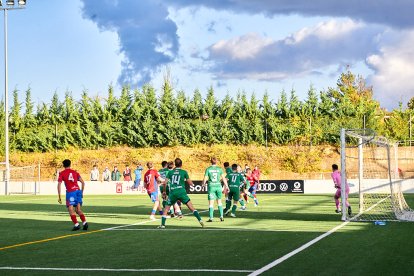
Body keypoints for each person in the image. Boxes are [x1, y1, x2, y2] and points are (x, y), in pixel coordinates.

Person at [158, 158, 204, 228]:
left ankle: (163, 225)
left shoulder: (170, 172)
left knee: (166, 209)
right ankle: (200, 220)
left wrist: (164, 191)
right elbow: (190, 183)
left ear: (175, 164)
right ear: (181, 164)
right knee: (191, 208)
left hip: (173, 192)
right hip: (181, 192)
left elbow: (165, 183)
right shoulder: (184, 172)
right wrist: (194, 185)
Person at [57, 159, 89, 231]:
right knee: (78, 209)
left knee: (71, 209)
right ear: (70, 164)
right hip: (78, 191)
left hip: (71, 192)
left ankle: (76, 224)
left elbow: (59, 184)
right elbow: (83, 182)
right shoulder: (75, 172)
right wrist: (81, 192)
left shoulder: (62, 173)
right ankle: (84, 223)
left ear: (63, 165)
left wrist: (59, 196)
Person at [202, 157, 228, 222]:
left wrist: (203, 184)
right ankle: (221, 216)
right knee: (219, 202)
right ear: (216, 161)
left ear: (211, 161)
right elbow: (224, 178)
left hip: (211, 187)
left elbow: (205, 178)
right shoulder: (220, 169)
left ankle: (211, 218)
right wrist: (227, 186)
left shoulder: (208, 169)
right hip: (218, 186)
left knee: (211, 203)